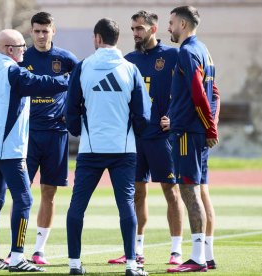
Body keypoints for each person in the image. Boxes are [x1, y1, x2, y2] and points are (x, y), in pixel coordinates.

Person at [0, 29, 68, 273]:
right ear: (9, 49)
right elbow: (44, 85)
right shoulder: (12, 71)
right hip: (10, 148)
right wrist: (70, 79)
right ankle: (16, 257)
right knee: (24, 199)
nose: (26, 49)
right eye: (22, 45)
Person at [66, 18, 151, 276]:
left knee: (77, 206)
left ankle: (74, 264)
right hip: (123, 150)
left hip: (91, 150)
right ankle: (131, 265)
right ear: (117, 39)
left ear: (97, 38)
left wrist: (79, 131)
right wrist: (132, 134)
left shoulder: (83, 67)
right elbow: (143, 114)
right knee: (126, 205)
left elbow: (70, 108)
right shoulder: (129, 68)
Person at [108, 10, 184, 266]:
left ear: (154, 28)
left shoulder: (172, 56)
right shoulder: (127, 60)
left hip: (162, 137)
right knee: (137, 193)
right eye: (132, 29)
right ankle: (136, 250)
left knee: (171, 192)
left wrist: (174, 116)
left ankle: (176, 251)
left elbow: (185, 90)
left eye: (139, 28)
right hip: (135, 137)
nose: (135, 33)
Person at [4, 12, 79, 266]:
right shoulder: (22, 59)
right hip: (27, 135)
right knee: (20, 194)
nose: (40, 35)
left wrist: (73, 113)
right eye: (36, 31)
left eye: (45, 31)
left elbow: (80, 86)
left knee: (49, 192)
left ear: (53, 31)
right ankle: (16, 249)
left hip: (57, 135)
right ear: (31, 32)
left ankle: (39, 249)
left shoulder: (66, 59)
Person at [164, 6, 220, 273]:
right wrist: (211, 125)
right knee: (197, 190)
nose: (169, 28)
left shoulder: (187, 52)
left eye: (172, 23)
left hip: (187, 131)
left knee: (189, 190)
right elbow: (215, 93)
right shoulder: (204, 50)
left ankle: (197, 258)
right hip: (197, 131)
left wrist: (209, 128)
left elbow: (199, 93)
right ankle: (207, 255)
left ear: (183, 24)